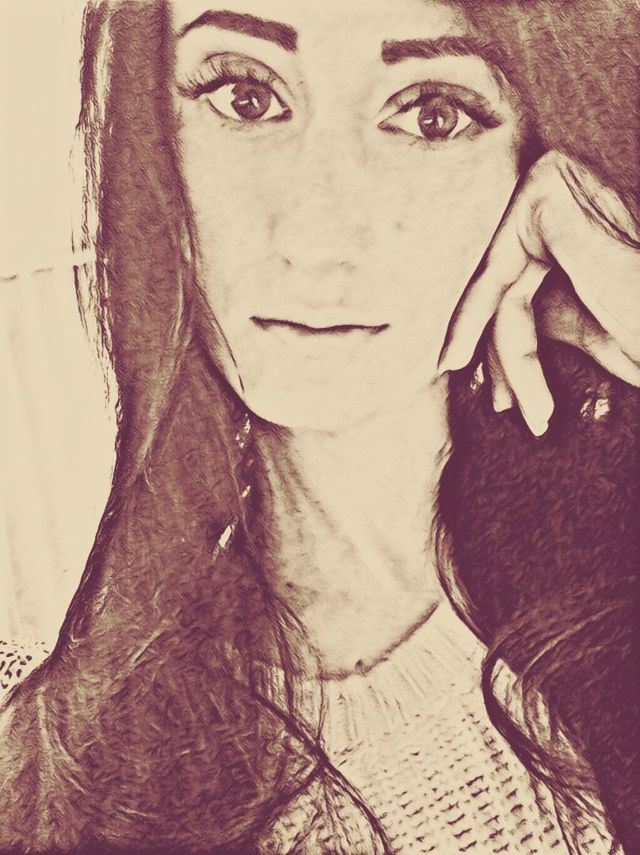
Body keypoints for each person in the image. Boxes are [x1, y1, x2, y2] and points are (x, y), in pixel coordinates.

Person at [1, 0, 639, 852]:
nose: (315, 235)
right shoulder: (61, 770)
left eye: (432, 114)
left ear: (535, 153)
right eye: (245, 97)